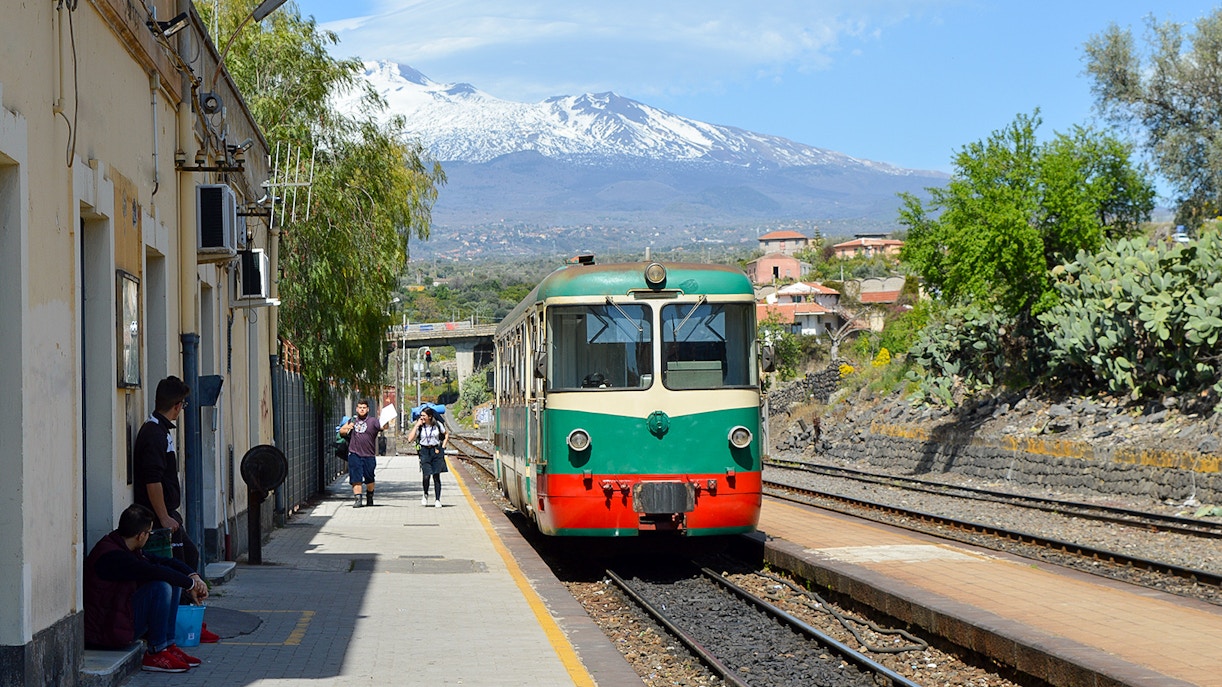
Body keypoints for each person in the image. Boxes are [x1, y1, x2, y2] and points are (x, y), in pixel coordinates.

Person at [84, 504, 210, 673]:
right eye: (149, 533)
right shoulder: (113, 556)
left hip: (119, 619)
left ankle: (168, 645)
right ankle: (156, 652)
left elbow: (164, 562)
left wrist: (193, 577)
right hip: (105, 631)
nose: (149, 537)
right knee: (161, 587)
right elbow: (152, 570)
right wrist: (191, 586)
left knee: (171, 580)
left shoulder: (126, 547)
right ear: (140, 535)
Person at [340, 399, 382, 508]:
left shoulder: (373, 421)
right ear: (357, 409)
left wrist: (387, 421)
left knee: (369, 478)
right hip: (354, 453)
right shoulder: (352, 420)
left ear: (368, 409)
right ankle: (358, 499)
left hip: (369, 454)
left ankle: (370, 495)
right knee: (356, 478)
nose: (362, 409)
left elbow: (382, 427)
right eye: (360, 407)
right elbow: (341, 431)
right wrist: (347, 427)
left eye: (364, 407)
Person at [407, 407, 448, 507]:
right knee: (426, 475)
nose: (421, 417)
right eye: (421, 416)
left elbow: (446, 434)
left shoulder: (437, 425)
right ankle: (425, 494)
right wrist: (416, 425)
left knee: (436, 476)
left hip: (436, 450)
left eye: (423, 416)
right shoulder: (420, 427)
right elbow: (410, 439)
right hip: (424, 451)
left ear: (430, 416)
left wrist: (443, 447)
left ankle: (437, 499)